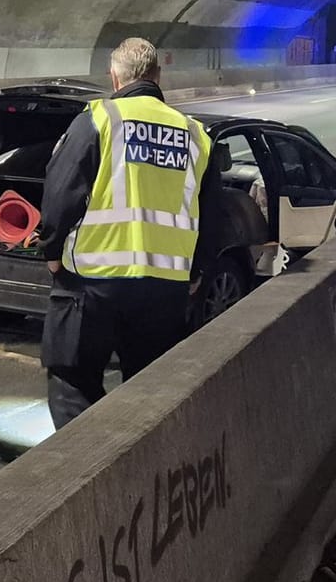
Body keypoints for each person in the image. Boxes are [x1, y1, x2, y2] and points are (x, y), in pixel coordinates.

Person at [36, 38, 226, 428]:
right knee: (149, 391)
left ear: (114, 76)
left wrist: (52, 252)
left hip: (92, 283)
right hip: (165, 288)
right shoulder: (195, 134)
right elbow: (212, 218)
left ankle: (86, 459)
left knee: (73, 382)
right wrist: (196, 273)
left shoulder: (99, 119)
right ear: (158, 76)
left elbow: (60, 193)